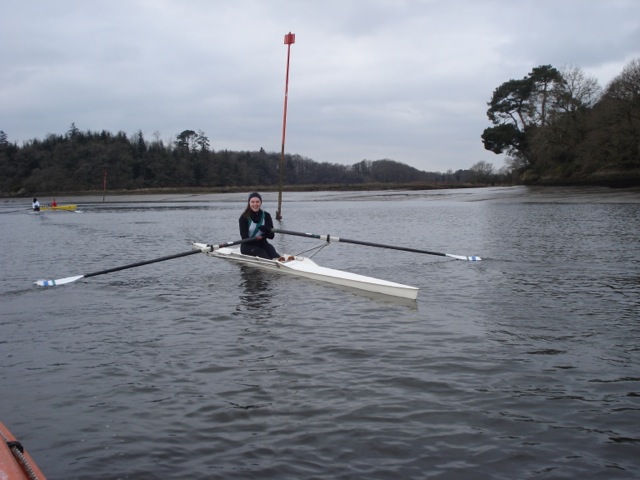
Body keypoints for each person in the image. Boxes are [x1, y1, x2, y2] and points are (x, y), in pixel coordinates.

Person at [239, 192, 280, 259]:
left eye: (257, 202)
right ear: (249, 203)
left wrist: (266, 229)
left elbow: (271, 236)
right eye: (252, 202)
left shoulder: (266, 215)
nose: (255, 204)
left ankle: (283, 261)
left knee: (272, 251)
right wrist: (257, 238)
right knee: (261, 252)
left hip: (262, 243)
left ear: (261, 203)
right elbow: (244, 238)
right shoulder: (244, 218)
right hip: (247, 246)